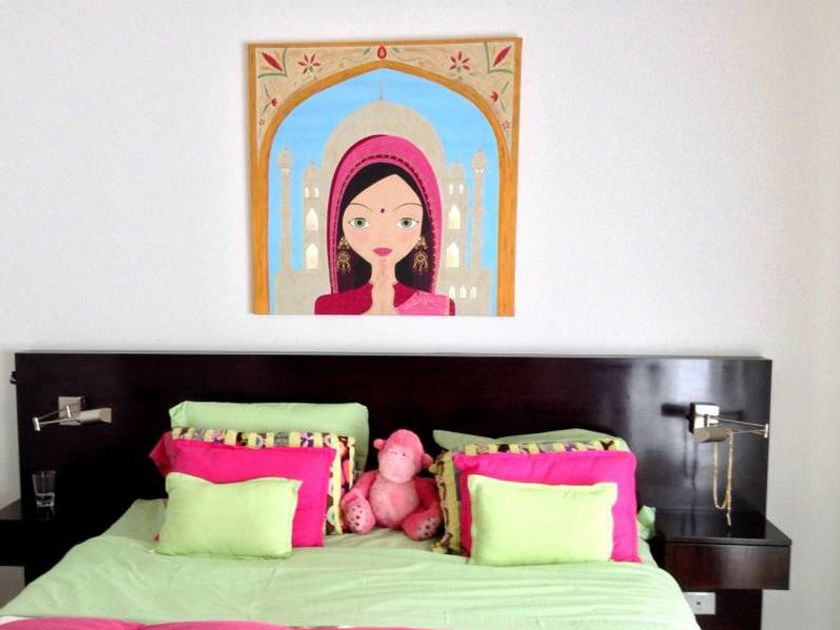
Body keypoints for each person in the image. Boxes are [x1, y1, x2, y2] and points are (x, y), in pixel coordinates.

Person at [315, 134, 455, 315]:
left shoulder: (440, 308)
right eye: (360, 222)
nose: (383, 236)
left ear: (423, 230)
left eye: (405, 222)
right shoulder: (329, 307)